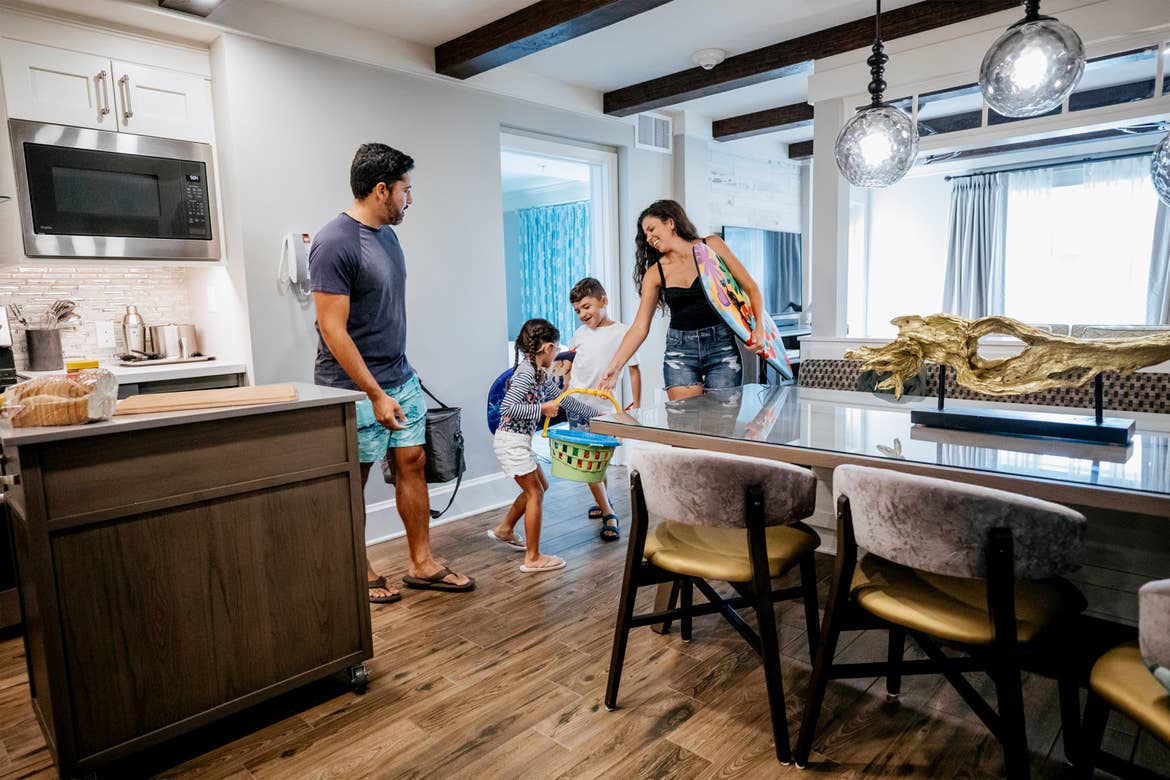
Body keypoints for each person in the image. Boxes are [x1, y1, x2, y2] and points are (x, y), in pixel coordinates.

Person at [311, 142, 474, 603]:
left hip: (400, 378)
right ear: (382, 189)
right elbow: (332, 330)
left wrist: (396, 384)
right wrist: (374, 393)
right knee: (354, 478)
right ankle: (355, 569)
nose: (410, 198)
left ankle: (421, 563)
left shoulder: (387, 235)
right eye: (406, 189)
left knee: (413, 464)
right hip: (354, 389)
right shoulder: (334, 243)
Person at [599, 200, 766, 401]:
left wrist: (760, 328)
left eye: (652, 229)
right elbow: (640, 327)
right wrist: (615, 367)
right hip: (680, 352)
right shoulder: (655, 274)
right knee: (685, 423)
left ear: (670, 222)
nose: (649, 238)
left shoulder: (711, 246)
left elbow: (750, 287)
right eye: (646, 235)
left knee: (721, 426)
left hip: (721, 347)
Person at [488, 318, 601, 573]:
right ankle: (533, 557)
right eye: (558, 347)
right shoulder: (527, 372)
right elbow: (507, 407)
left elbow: (562, 401)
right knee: (535, 493)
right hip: (511, 442)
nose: (559, 353)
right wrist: (541, 408)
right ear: (547, 348)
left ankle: (505, 529)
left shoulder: (538, 373)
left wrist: (596, 415)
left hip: (519, 442)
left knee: (541, 486)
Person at [566, 277, 641, 541]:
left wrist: (637, 406)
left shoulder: (622, 332)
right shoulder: (580, 334)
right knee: (588, 464)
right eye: (577, 310)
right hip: (577, 406)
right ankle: (609, 511)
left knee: (600, 461)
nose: (583, 314)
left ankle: (602, 501)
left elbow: (633, 370)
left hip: (605, 411)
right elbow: (571, 365)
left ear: (604, 301)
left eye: (587, 306)